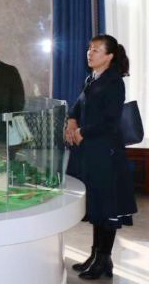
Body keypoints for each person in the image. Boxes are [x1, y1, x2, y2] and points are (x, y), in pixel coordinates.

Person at [65, 34, 137, 280]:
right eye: (89, 48)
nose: (90, 53)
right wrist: (72, 121)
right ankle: (96, 255)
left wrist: (82, 132)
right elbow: (78, 106)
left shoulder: (114, 82)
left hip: (107, 154)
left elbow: (110, 121)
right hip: (92, 153)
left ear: (109, 56)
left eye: (96, 49)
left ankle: (104, 259)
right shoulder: (93, 78)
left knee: (107, 208)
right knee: (97, 206)